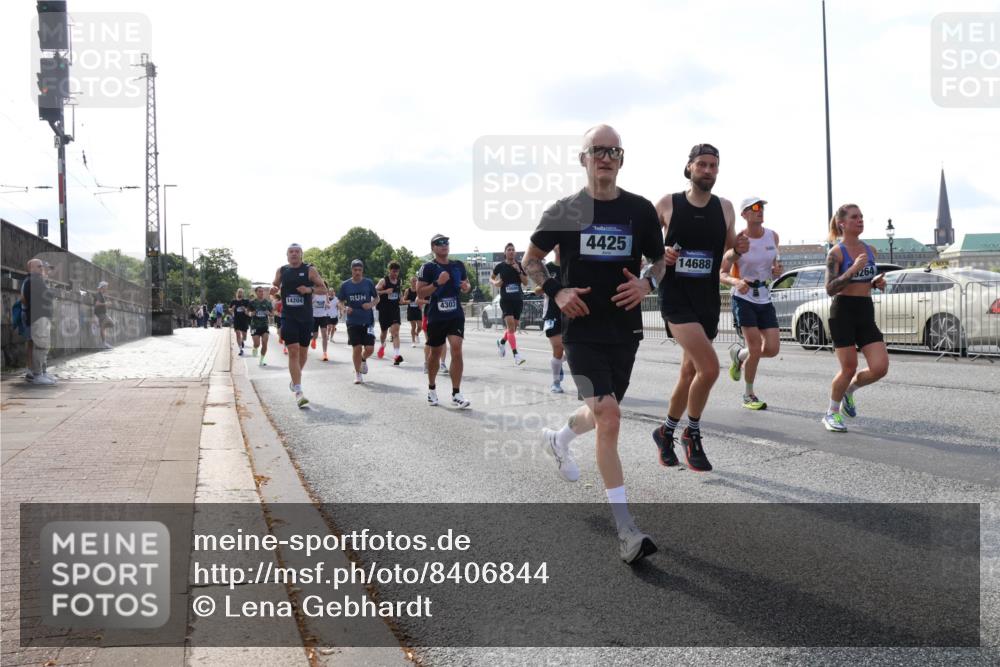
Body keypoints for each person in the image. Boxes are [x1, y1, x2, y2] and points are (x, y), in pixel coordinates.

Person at [523, 124, 666, 564]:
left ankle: (559, 439)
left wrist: (646, 284)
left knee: (601, 414)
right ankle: (627, 530)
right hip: (581, 329)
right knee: (610, 416)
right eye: (597, 150)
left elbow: (659, 262)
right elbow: (531, 261)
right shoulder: (563, 211)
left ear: (621, 159)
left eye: (613, 151)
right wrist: (556, 292)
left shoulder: (640, 211)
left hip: (625, 329)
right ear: (583, 158)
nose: (605, 157)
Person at [652, 143, 749, 474]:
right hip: (675, 298)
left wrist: (738, 250)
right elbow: (641, 248)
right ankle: (691, 434)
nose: (708, 170)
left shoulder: (725, 208)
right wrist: (658, 255)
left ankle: (664, 431)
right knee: (709, 369)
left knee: (689, 372)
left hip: (706, 299)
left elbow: (728, 252)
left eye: (714, 166)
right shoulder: (667, 204)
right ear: (689, 167)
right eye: (702, 164)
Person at [821, 204, 889, 432]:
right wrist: (851, 271)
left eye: (861, 216)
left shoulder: (869, 249)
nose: (860, 220)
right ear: (842, 223)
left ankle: (850, 390)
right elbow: (830, 288)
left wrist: (875, 283)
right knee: (848, 367)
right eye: (854, 217)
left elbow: (864, 280)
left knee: (880, 367)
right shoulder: (836, 253)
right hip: (843, 312)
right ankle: (831, 413)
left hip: (865, 310)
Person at [720, 197, 783, 410]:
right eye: (755, 208)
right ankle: (748, 395)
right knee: (755, 347)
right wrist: (736, 281)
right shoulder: (738, 240)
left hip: (764, 296)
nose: (760, 211)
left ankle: (739, 355)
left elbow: (774, 263)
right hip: (743, 297)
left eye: (762, 207)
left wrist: (776, 270)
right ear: (744, 214)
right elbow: (722, 273)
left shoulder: (772, 236)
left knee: (772, 348)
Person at [417, 234, 471, 408]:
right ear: (433, 247)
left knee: (456, 349)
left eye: (446, 242)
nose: (444, 245)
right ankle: (432, 388)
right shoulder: (427, 268)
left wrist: (466, 287)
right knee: (435, 353)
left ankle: (456, 393)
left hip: (455, 314)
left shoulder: (458, 266)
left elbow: (466, 285)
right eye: (440, 243)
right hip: (436, 316)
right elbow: (420, 293)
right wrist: (437, 283)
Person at [270, 243, 327, 407]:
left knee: (303, 354)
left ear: (301, 255)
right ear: (287, 255)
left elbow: (323, 289)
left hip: (306, 318)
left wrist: (309, 290)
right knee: (293, 352)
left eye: (297, 252)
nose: (294, 254)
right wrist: (274, 291)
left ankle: (295, 379)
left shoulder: (310, 270)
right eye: (291, 252)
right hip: (289, 317)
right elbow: (275, 285)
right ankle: (299, 391)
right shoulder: (282, 271)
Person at [337, 259, 379, 384]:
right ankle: (357, 373)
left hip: (368, 320)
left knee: (370, 348)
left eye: (360, 270)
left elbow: (377, 298)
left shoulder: (368, 283)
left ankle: (363, 359)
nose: (357, 272)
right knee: (357, 347)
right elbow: (340, 301)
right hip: (353, 321)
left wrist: (370, 304)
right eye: (355, 270)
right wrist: (344, 308)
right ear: (352, 270)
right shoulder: (345, 285)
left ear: (362, 270)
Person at [533, 248, 565, 393]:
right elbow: (536, 290)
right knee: (558, 347)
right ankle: (556, 382)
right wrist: (546, 286)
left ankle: (559, 363)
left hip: (569, 311)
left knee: (570, 350)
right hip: (551, 312)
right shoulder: (547, 268)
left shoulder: (570, 266)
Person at [491, 243, 528, 365]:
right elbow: (492, 278)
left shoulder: (520, 265)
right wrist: (495, 283)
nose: (511, 251)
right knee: (511, 328)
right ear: (505, 253)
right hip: (506, 300)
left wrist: (519, 271)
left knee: (513, 328)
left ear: (515, 252)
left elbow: (526, 282)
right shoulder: (500, 266)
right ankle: (516, 355)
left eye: (513, 250)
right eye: (509, 250)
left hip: (518, 300)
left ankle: (501, 342)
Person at [21, 259, 57, 385]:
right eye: (39, 266)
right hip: (38, 317)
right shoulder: (33, 280)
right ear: (31, 268)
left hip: (43, 317)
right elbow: (49, 294)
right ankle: (37, 374)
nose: (42, 268)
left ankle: (42, 372)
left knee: (44, 346)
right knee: (40, 345)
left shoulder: (37, 280)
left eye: (42, 266)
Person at [375, 261, 404, 365]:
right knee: (384, 332)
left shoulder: (399, 281)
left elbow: (398, 292)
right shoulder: (383, 281)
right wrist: (385, 291)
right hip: (384, 310)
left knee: (395, 332)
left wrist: (401, 298)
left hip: (395, 309)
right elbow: (374, 291)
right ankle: (382, 345)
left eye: (397, 272)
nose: (395, 274)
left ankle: (396, 355)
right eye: (393, 271)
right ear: (389, 270)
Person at [248, 286, 273, 365]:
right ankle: (255, 348)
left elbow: (272, 313)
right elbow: (247, 312)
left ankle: (261, 360)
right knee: (257, 344)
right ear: (256, 293)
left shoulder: (267, 302)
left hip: (264, 325)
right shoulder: (252, 302)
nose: (261, 293)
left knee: (265, 342)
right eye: (259, 291)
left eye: (262, 291)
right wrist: (251, 313)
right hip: (254, 325)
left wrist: (269, 313)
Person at [310, 286, 332, 361]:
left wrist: (327, 305)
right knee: (315, 335)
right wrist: (312, 302)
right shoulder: (313, 294)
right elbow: (308, 303)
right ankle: (313, 340)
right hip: (314, 316)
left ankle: (325, 353)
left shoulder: (325, 295)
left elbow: (329, 304)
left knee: (324, 335)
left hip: (323, 316)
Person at [402, 276, 422, 347]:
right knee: (413, 326)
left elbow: (422, 299)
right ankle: (413, 342)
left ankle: (416, 333)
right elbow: (403, 301)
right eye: (413, 281)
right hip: (411, 310)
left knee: (420, 326)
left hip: (417, 309)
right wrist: (408, 301)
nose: (415, 282)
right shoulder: (408, 290)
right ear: (410, 282)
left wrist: (420, 303)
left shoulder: (419, 290)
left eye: (416, 281)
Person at [230, 288, 252, 356]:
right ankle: (240, 349)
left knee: (244, 337)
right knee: (237, 334)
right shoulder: (233, 301)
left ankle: (242, 341)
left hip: (244, 320)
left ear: (243, 294)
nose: (240, 293)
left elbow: (249, 311)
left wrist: (245, 309)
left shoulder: (246, 301)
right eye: (239, 292)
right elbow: (230, 309)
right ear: (237, 293)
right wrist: (232, 309)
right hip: (236, 320)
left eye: (241, 292)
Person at [94, 281, 114, 350]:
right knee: (110, 323)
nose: (107, 289)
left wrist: (106, 304)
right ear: (103, 287)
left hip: (102, 314)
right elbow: (97, 304)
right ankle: (104, 343)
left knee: (106, 326)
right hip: (100, 314)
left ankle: (104, 343)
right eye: (106, 287)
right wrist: (106, 304)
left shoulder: (101, 294)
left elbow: (101, 304)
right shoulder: (98, 294)